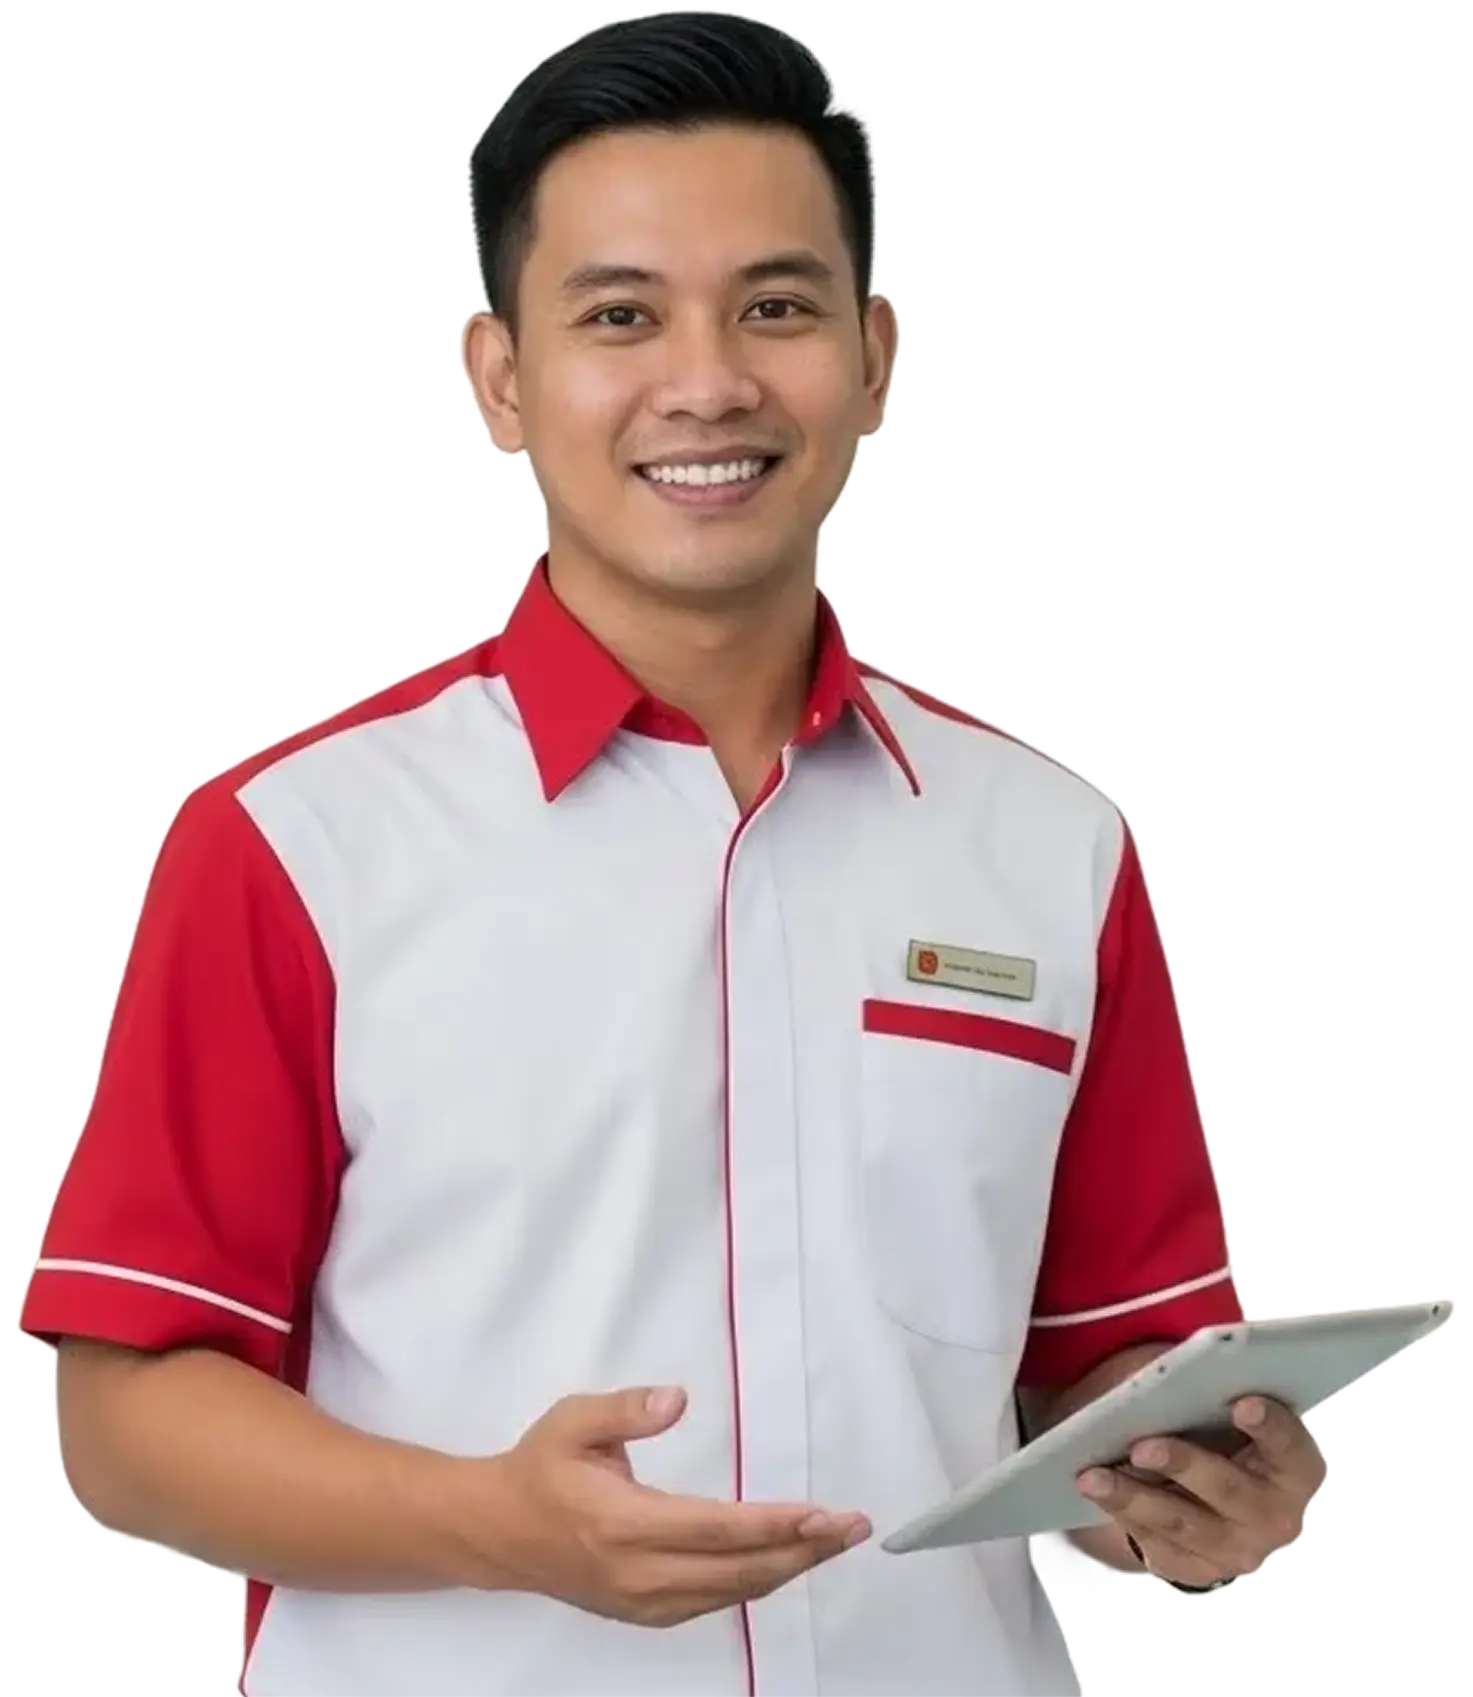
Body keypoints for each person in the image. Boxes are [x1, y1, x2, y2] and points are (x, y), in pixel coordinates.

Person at [19, 9, 1326, 1694]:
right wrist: (495, 1525)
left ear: (877, 356)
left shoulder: (1054, 847)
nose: (708, 383)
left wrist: (1196, 1496)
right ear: (500, 378)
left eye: (776, 307)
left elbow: (1105, 1383)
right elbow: (122, 1422)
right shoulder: (294, 843)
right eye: (621, 315)